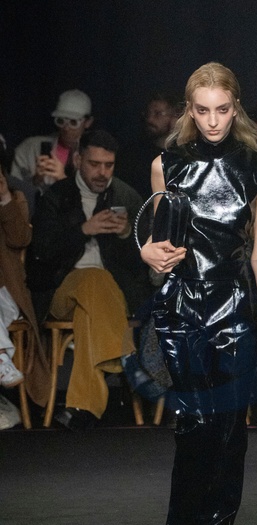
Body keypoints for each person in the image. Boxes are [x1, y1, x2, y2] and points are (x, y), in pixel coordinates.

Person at [140, 62, 257, 525]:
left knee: (229, 439)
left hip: (235, 311)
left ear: (235, 107)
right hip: (180, 310)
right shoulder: (165, 165)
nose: (213, 120)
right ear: (189, 110)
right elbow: (159, 248)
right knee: (195, 428)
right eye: (202, 110)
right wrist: (146, 254)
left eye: (222, 109)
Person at [28, 129, 151, 430]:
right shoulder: (56, 196)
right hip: (62, 289)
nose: (102, 172)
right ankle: (126, 358)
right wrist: (84, 230)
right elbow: (41, 254)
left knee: (92, 307)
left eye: (109, 165)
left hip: (112, 296)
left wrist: (126, 235)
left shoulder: (126, 197)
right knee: (93, 279)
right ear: (78, 160)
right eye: (95, 164)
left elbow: (144, 264)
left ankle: (84, 406)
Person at [0, 156, 50, 420]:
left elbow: (20, 239)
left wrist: (4, 197)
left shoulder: (14, 198)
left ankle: (0, 359)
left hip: (5, 292)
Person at [11, 89, 93, 194]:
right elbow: (13, 192)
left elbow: (95, 196)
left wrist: (63, 180)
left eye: (73, 122)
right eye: (60, 121)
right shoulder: (29, 148)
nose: (66, 128)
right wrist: (36, 180)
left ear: (88, 122)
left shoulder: (96, 156)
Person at [115, 92, 179, 199]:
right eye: (148, 113)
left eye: (158, 114)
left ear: (175, 117)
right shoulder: (133, 155)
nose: (150, 119)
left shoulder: (183, 155)